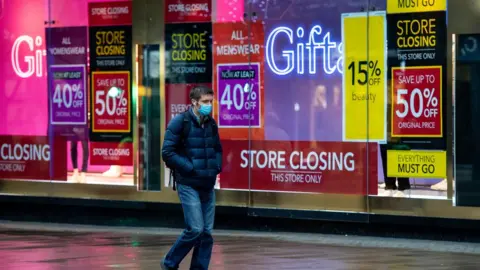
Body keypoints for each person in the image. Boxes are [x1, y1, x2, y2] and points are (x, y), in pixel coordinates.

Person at [161, 85, 223, 270]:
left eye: (210, 102)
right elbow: (167, 152)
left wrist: (216, 167)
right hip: (188, 183)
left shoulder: (211, 123)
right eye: (205, 102)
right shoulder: (180, 122)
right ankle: (169, 263)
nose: (208, 105)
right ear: (194, 102)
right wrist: (190, 167)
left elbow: (217, 149)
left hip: (207, 183)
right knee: (195, 228)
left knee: (206, 233)